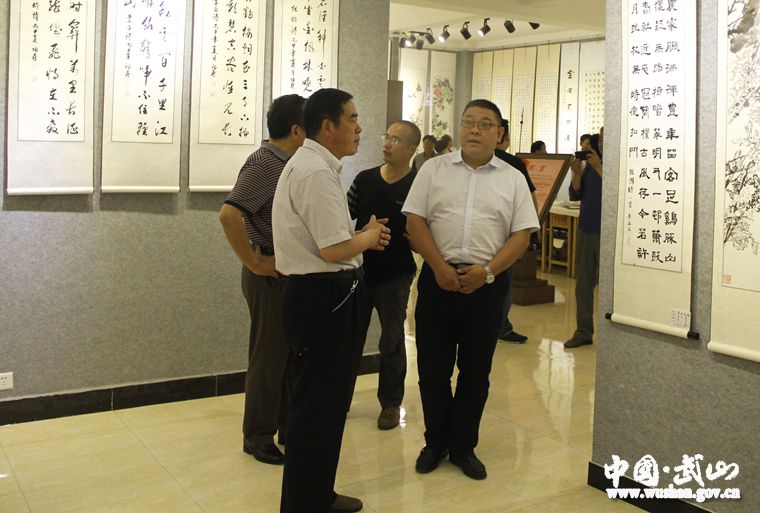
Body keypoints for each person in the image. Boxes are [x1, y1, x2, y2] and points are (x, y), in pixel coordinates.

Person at [403, 99, 539, 480]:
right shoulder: (433, 169)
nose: (475, 130)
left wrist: (488, 272)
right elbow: (414, 222)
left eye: (485, 124)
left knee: (476, 373)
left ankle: (463, 446)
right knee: (432, 370)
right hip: (437, 280)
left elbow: (521, 235)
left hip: (487, 286)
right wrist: (439, 266)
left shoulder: (513, 178)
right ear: (460, 128)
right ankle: (435, 442)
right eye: (468, 122)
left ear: (500, 133)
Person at [272, 88, 390, 513]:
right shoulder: (315, 172)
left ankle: (315, 494)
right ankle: (307, 502)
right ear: (328, 126)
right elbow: (334, 249)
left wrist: (360, 237)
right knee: (317, 409)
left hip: (321, 295)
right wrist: (369, 237)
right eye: (352, 119)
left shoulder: (314, 165)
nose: (360, 128)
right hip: (323, 297)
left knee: (322, 406)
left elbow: (330, 241)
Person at [219, 94, 306, 465]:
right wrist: (253, 261)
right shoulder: (265, 163)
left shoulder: (286, 163)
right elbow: (229, 214)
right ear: (297, 130)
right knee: (268, 358)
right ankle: (257, 437)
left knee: (286, 356)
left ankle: (286, 426)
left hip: (286, 271)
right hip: (268, 275)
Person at [347, 120, 420, 430]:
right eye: (387, 137)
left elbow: (425, 228)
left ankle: (390, 403)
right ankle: (339, 398)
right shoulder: (364, 179)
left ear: (412, 149)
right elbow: (342, 219)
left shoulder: (418, 185)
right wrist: (361, 233)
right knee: (349, 339)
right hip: (358, 272)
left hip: (396, 275)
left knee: (391, 340)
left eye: (396, 140)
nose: (387, 144)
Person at [494, 119, 538, 344]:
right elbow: (530, 199)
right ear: (505, 136)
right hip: (507, 237)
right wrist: (532, 234)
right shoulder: (513, 163)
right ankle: (500, 327)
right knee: (503, 282)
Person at [565, 128, 604, 349]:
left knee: (611, 287)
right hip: (587, 228)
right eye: (602, 137)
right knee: (584, 284)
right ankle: (583, 331)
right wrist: (577, 174)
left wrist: (598, 166)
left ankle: (613, 334)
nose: (603, 141)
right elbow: (576, 194)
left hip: (609, 234)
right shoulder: (591, 163)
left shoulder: (620, 162)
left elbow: (617, 191)